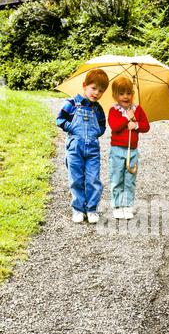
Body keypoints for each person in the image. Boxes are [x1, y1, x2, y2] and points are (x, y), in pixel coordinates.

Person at [56, 69, 109, 223]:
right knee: (76, 179)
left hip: (93, 150)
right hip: (75, 149)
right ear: (85, 85)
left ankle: (92, 209)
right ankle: (78, 209)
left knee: (93, 179)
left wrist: (95, 133)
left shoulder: (98, 109)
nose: (96, 93)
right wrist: (70, 128)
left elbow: (102, 127)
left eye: (100, 91)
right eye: (93, 88)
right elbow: (60, 119)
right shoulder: (71, 103)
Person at [108, 77, 150, 220]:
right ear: (115, 95)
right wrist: (126, 118)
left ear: (133, 94)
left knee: (130, 179)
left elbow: (146, 126)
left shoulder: (137, 110)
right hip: (117, 150)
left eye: (128, 93)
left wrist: (136, 125)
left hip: (132, 151)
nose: (125, 96)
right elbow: (115, 127)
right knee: (117, 177)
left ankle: (127, 205)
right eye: (121, 93)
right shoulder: (113, 111)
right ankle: (117, 206)